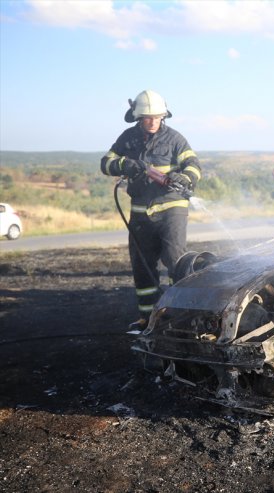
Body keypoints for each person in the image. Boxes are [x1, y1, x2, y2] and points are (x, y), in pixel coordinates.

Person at [100, 90, 201, 331]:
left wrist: (184, 177)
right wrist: (125, 164)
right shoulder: (128, 139)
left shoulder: (175, 139)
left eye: (157, 117)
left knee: (175, 260)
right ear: (138, 117)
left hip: (172, 209)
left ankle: (180, 316)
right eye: (148, 117)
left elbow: (194, 167)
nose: (153, 121)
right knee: (143, 265)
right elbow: (105, 163)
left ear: (164, 116)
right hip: (140, 212)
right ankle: (149, 319)